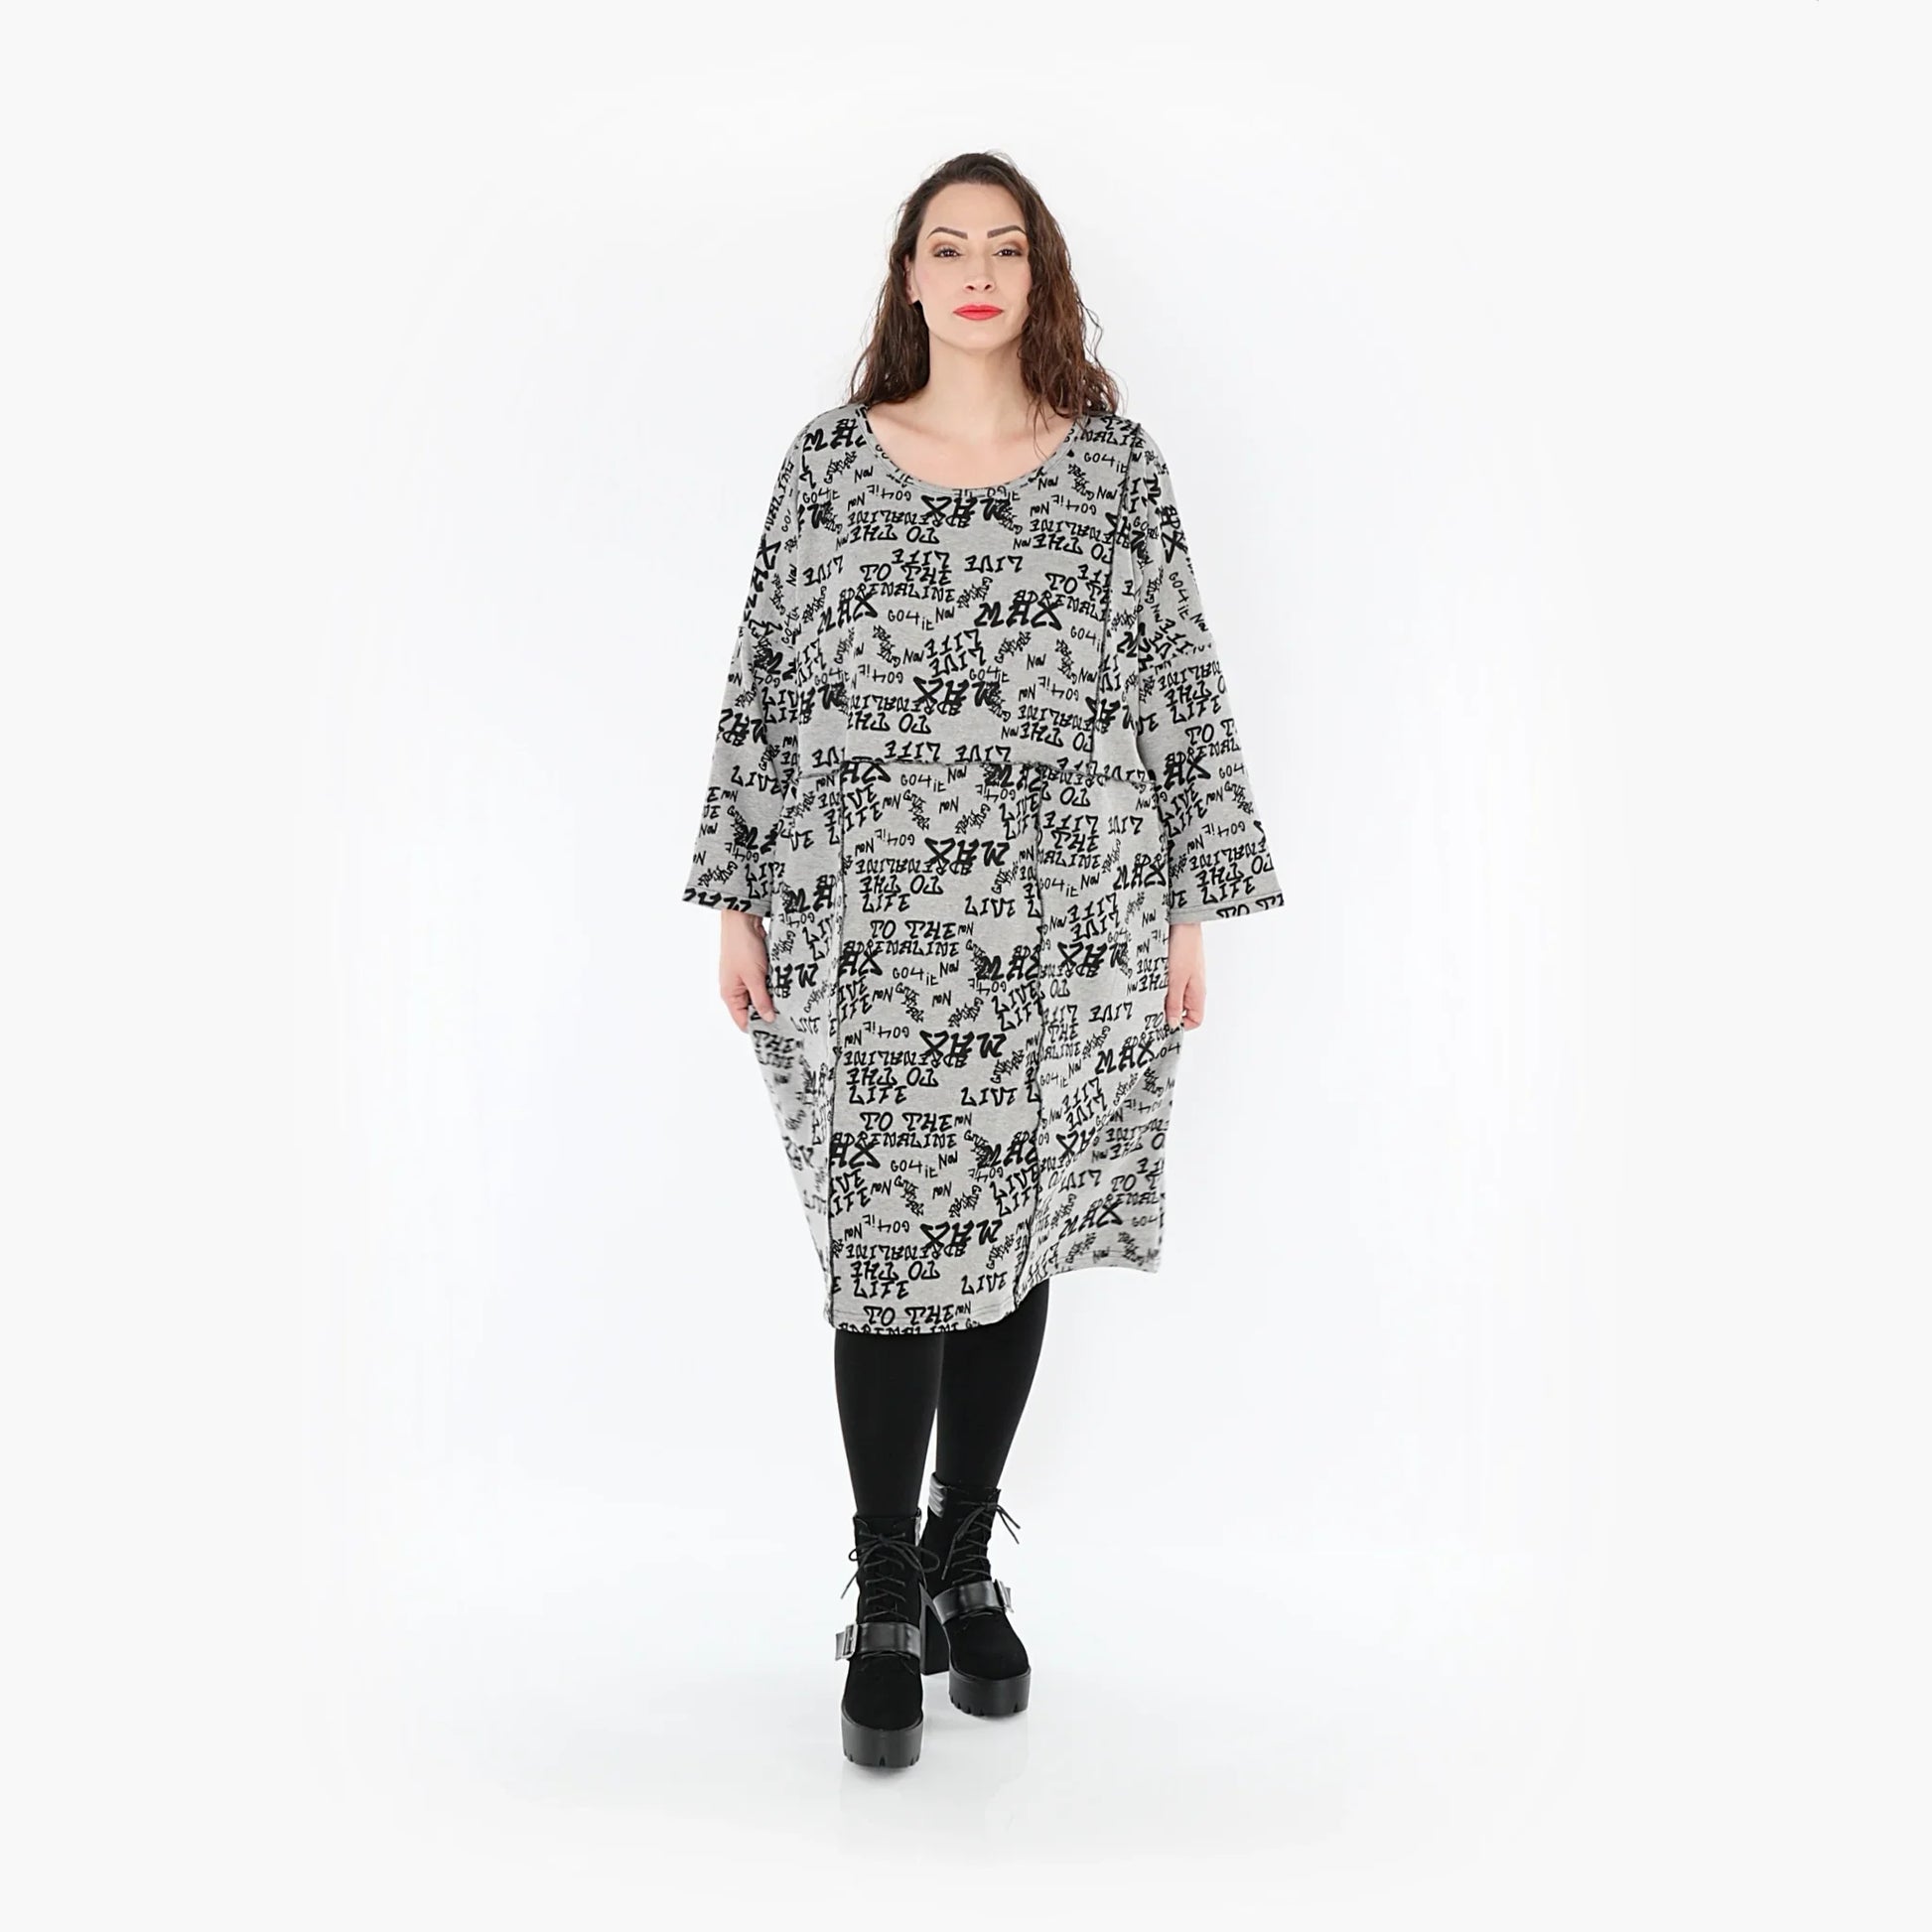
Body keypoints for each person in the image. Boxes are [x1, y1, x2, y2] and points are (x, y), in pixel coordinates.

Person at [682, 152, 1285, 1769]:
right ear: (906, 275)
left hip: (1072, 919)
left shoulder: (1114, 470)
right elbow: (764, 678)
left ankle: (962, 1563)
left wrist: (1188, 908)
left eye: (1001, 249)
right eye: (944, 247)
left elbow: (1175, 678)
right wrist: (735, 892)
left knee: (1015, 1233)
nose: (971, 273)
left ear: (1037, 276)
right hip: (862, 923)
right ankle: (884, 1591)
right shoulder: (825, 467)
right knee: (888, 1242)